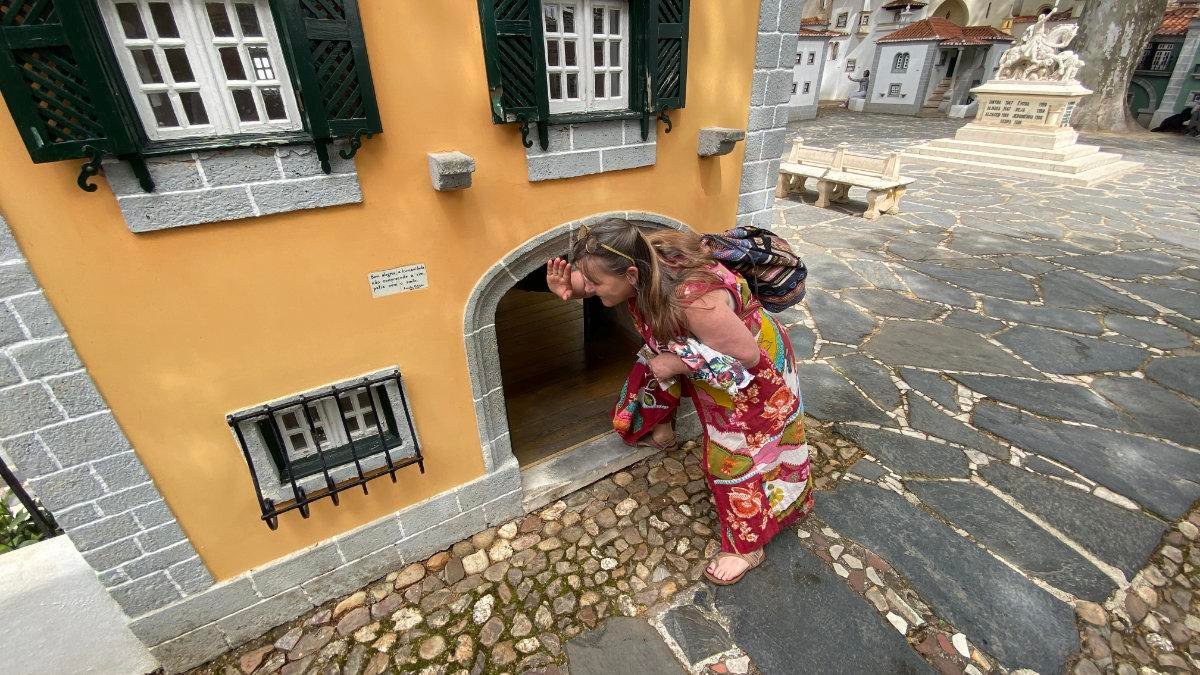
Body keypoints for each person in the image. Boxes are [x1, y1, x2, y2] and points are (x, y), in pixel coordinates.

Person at [545, 219, 813, 585]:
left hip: (752, 373)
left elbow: (747, 356)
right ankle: (662, 424)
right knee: (650, 369)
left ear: (631, 274)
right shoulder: (641, 256)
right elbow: (605, 281)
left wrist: (675, 361)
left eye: (593, 283)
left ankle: (747, 547)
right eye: (585, 278)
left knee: (734, 456)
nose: (587, 287)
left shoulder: (695, 302)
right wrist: (573, 287)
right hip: (711, 358)